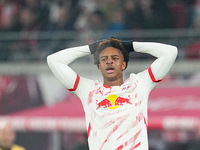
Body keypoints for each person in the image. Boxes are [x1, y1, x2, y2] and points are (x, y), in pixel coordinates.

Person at [47, 37, 178, 150]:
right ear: (99, 66)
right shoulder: (88, 90)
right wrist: (92, 48)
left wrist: (130, 46)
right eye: (104, 59)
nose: (109, 61)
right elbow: (53, 60)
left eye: (115, 58)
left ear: (123, 64)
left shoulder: (139, 84)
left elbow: (170, 52)